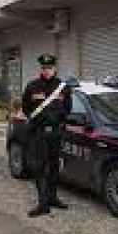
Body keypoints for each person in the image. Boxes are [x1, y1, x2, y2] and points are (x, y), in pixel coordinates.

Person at [22, 53, 72, 217]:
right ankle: (43, 204)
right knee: (40, 168)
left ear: (55, 68)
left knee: (55, 166)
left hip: (56, 132)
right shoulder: (32, 86)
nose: (47, 71)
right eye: (44, 68)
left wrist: (58, 119)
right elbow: (26, 108)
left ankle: (52, 198)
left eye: (50, 68)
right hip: (40, 133)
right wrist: (39, 120)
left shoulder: (63, 87)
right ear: (41, 69)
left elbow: (68, 108)